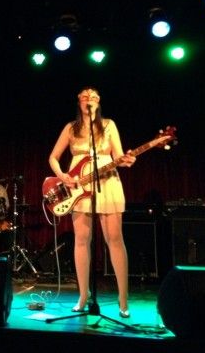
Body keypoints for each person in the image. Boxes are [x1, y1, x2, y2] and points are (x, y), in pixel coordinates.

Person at [48, 86, 136, 318]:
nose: (90, 99)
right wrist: (63, 176)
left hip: (106, 183)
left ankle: (123, 298)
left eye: (94, 96)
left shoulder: (108, 125)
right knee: (81, 240)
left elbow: (119, 157)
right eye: (85, 96)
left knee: (114, 239)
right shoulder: (71, 128)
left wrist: (126, 160)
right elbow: (53, 157)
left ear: (99, 102)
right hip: (78, 185)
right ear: (79, 102)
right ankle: (83, 295)